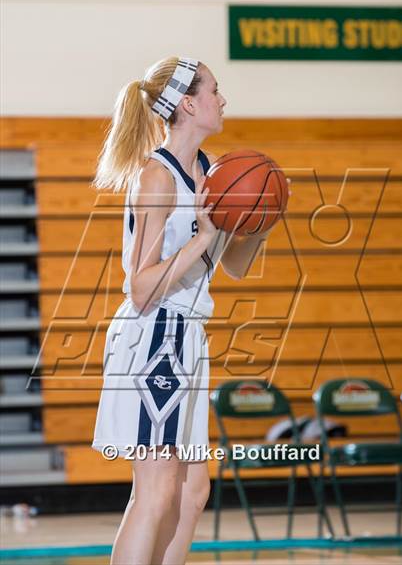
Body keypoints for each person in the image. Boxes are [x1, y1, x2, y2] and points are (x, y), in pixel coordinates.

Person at [90, 56, 289, 565]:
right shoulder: (157, 178)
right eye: (215, 90)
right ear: (187, 103)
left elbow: (236, 266)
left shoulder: (211, 171)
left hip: (187, 337)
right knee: (155, 494)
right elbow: (141, 288)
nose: (222, 100)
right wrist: (203, 236)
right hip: (153, 336)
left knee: (191, 494)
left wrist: (260, 223)